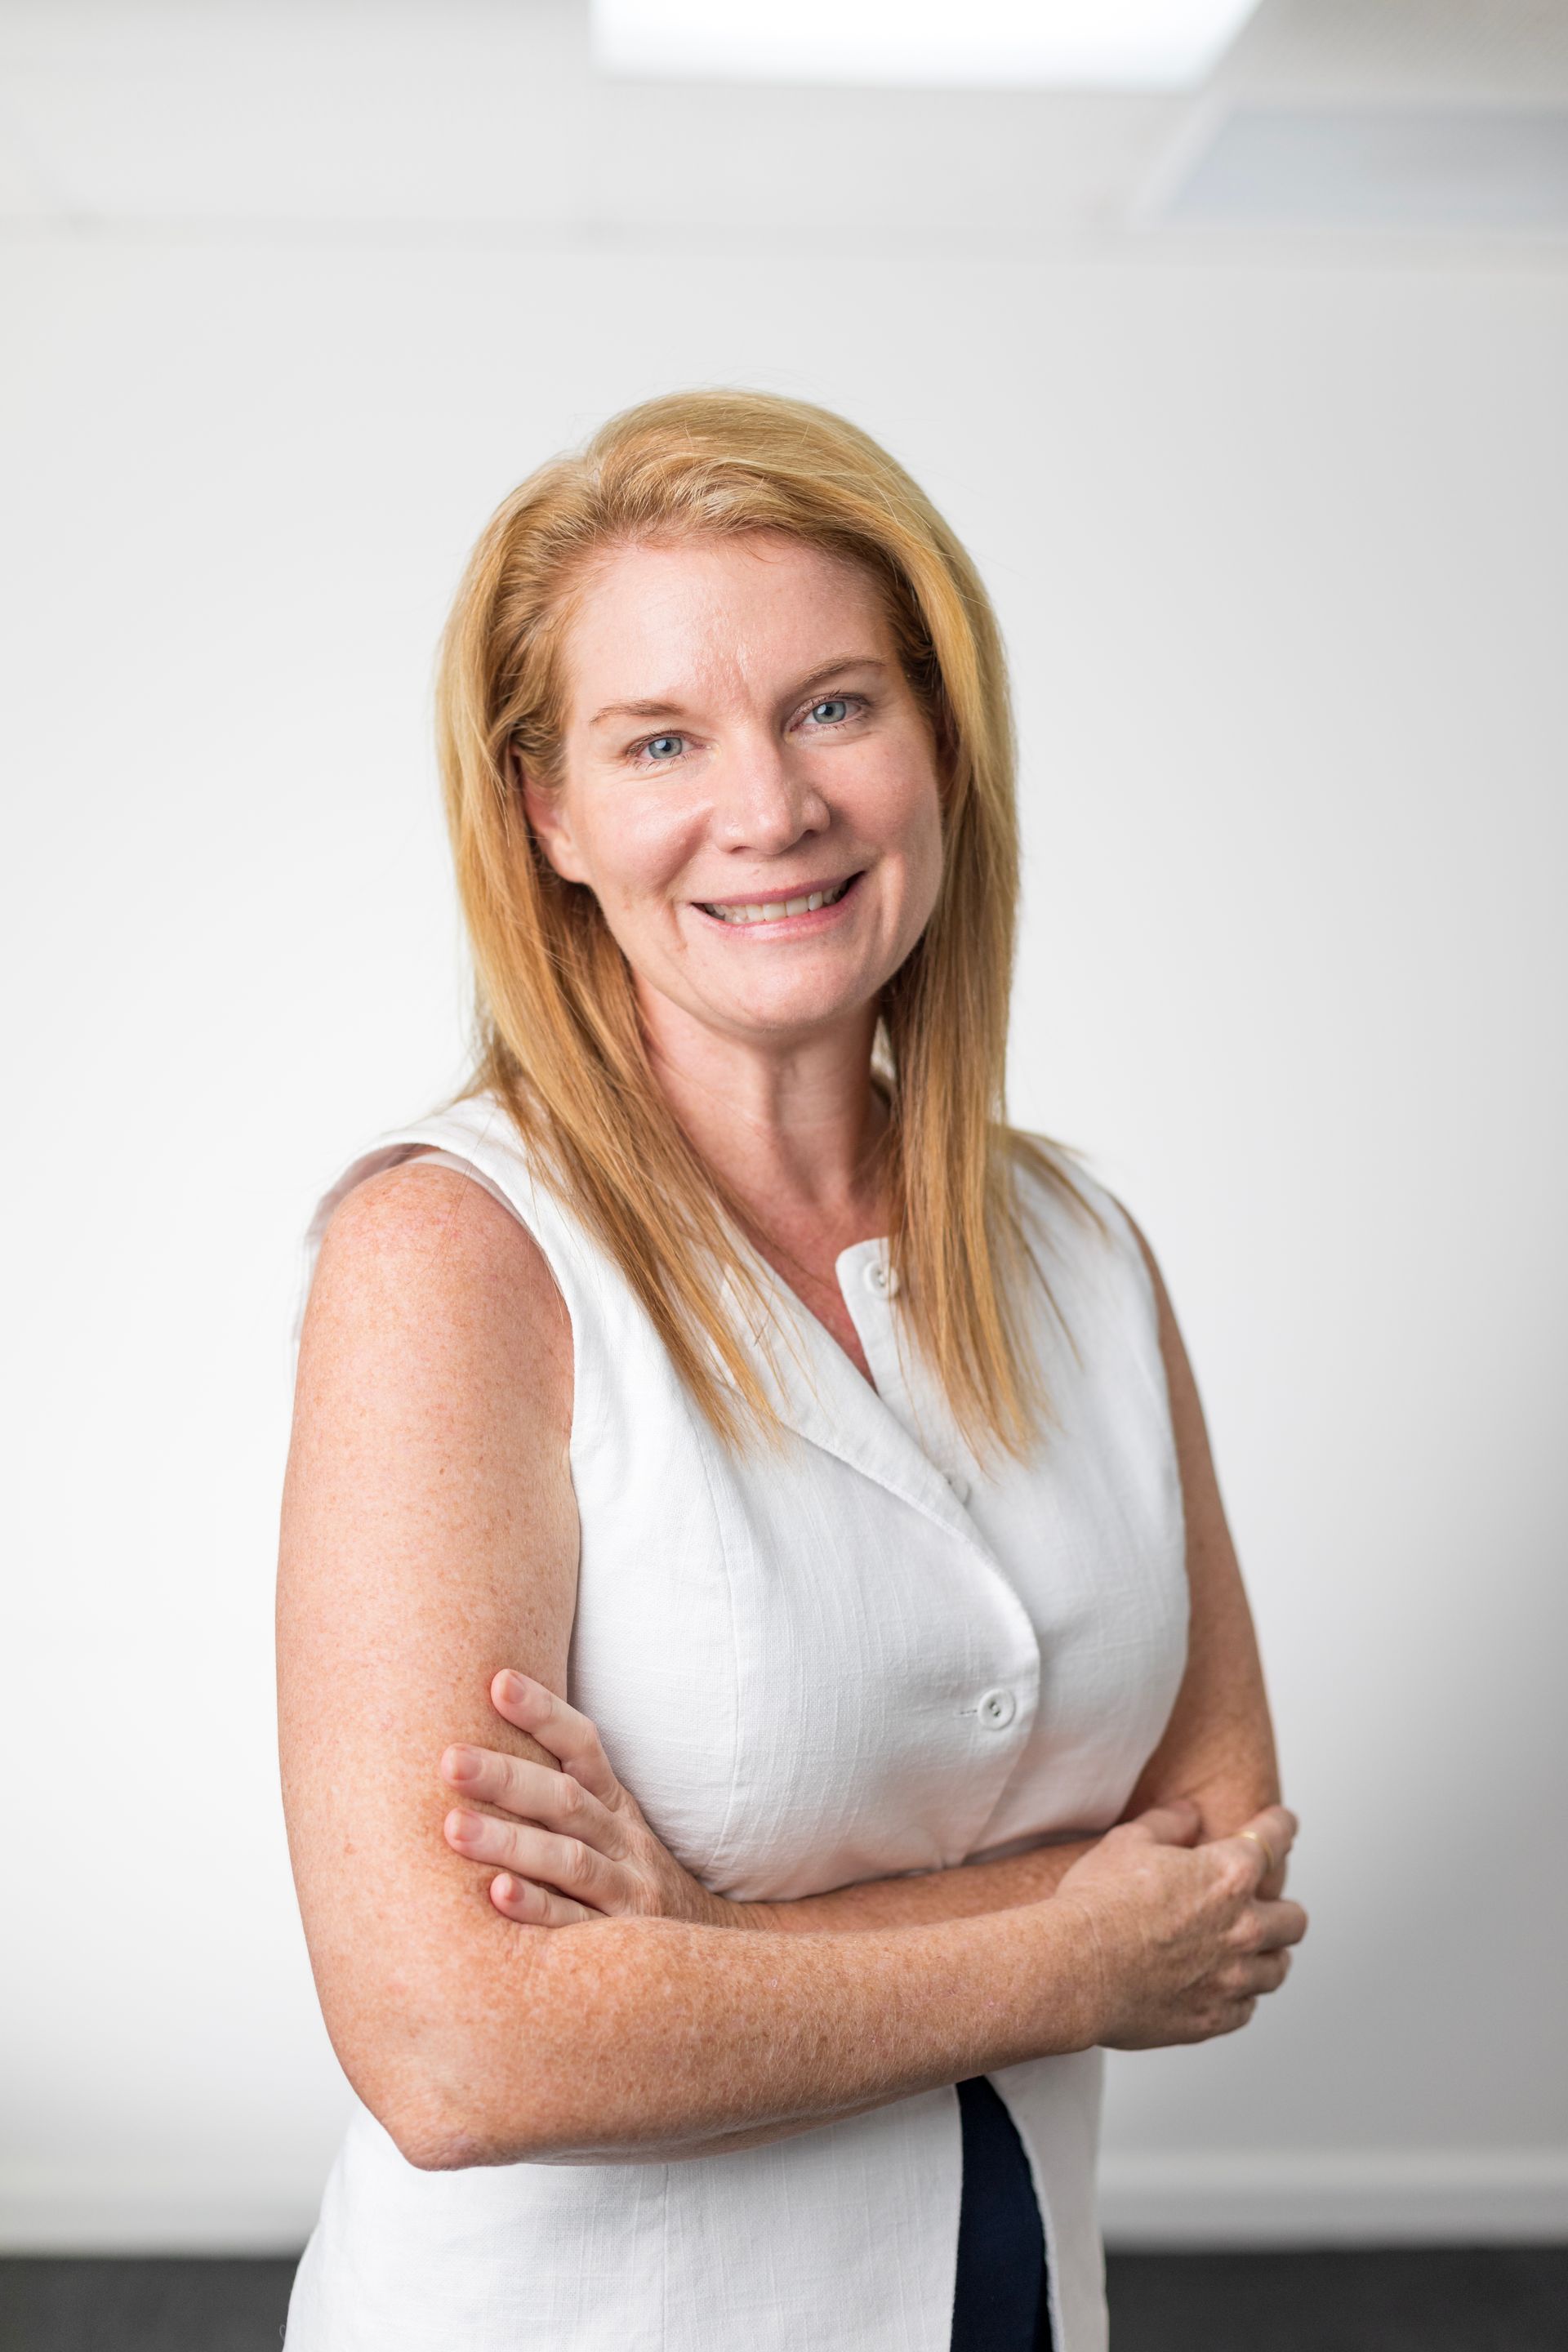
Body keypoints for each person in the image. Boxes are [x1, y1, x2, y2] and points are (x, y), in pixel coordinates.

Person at [276, 389, 1307, 2352]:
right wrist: (1065, 1948)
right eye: (661, 740)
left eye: (836, 705)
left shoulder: (1081, 1252)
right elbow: (454, 2046)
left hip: (1012, 2297)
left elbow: (1222, 1870)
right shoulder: (452, 1257)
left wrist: (707, 1951)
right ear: (549, 817)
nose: (770, 808)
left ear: (941, 741)